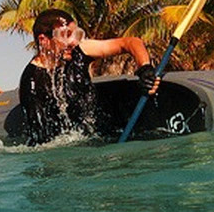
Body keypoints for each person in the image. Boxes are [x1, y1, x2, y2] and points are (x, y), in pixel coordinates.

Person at [18, 9, 160, 145]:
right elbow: (43, 141)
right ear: (44, 40)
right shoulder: (31, 83)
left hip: (105, 133)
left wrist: (145, 68)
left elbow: (130, 42)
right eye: (66, 35)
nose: (73, 42)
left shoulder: (78, 51)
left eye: (76, 34)